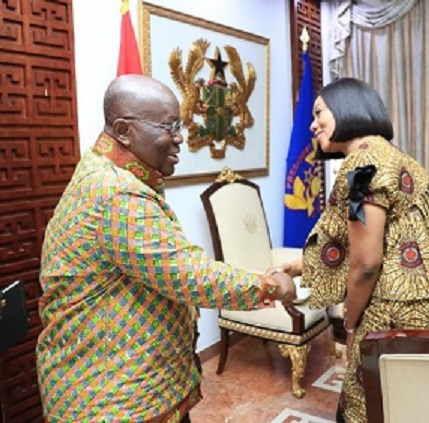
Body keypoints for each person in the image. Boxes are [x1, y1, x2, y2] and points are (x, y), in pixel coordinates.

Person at [36, 75, 296, 423]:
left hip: (133, 384)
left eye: (180, 126)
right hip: (113, 397)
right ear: (123, 129)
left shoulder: (112, 174)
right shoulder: (118, 194)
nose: (179, 139)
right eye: (168, 127)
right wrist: (271, 286)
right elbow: (189, 275)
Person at [273, 78, 429, 423]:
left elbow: (366, 262)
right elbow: (369, 241)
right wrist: (294, 266)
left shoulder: (359, 168)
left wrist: (349, 324)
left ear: (348, 107)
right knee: (419, 404)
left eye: (319, 112)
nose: (312, 123)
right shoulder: (393, 156)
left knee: (368, 406)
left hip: (398, 313)